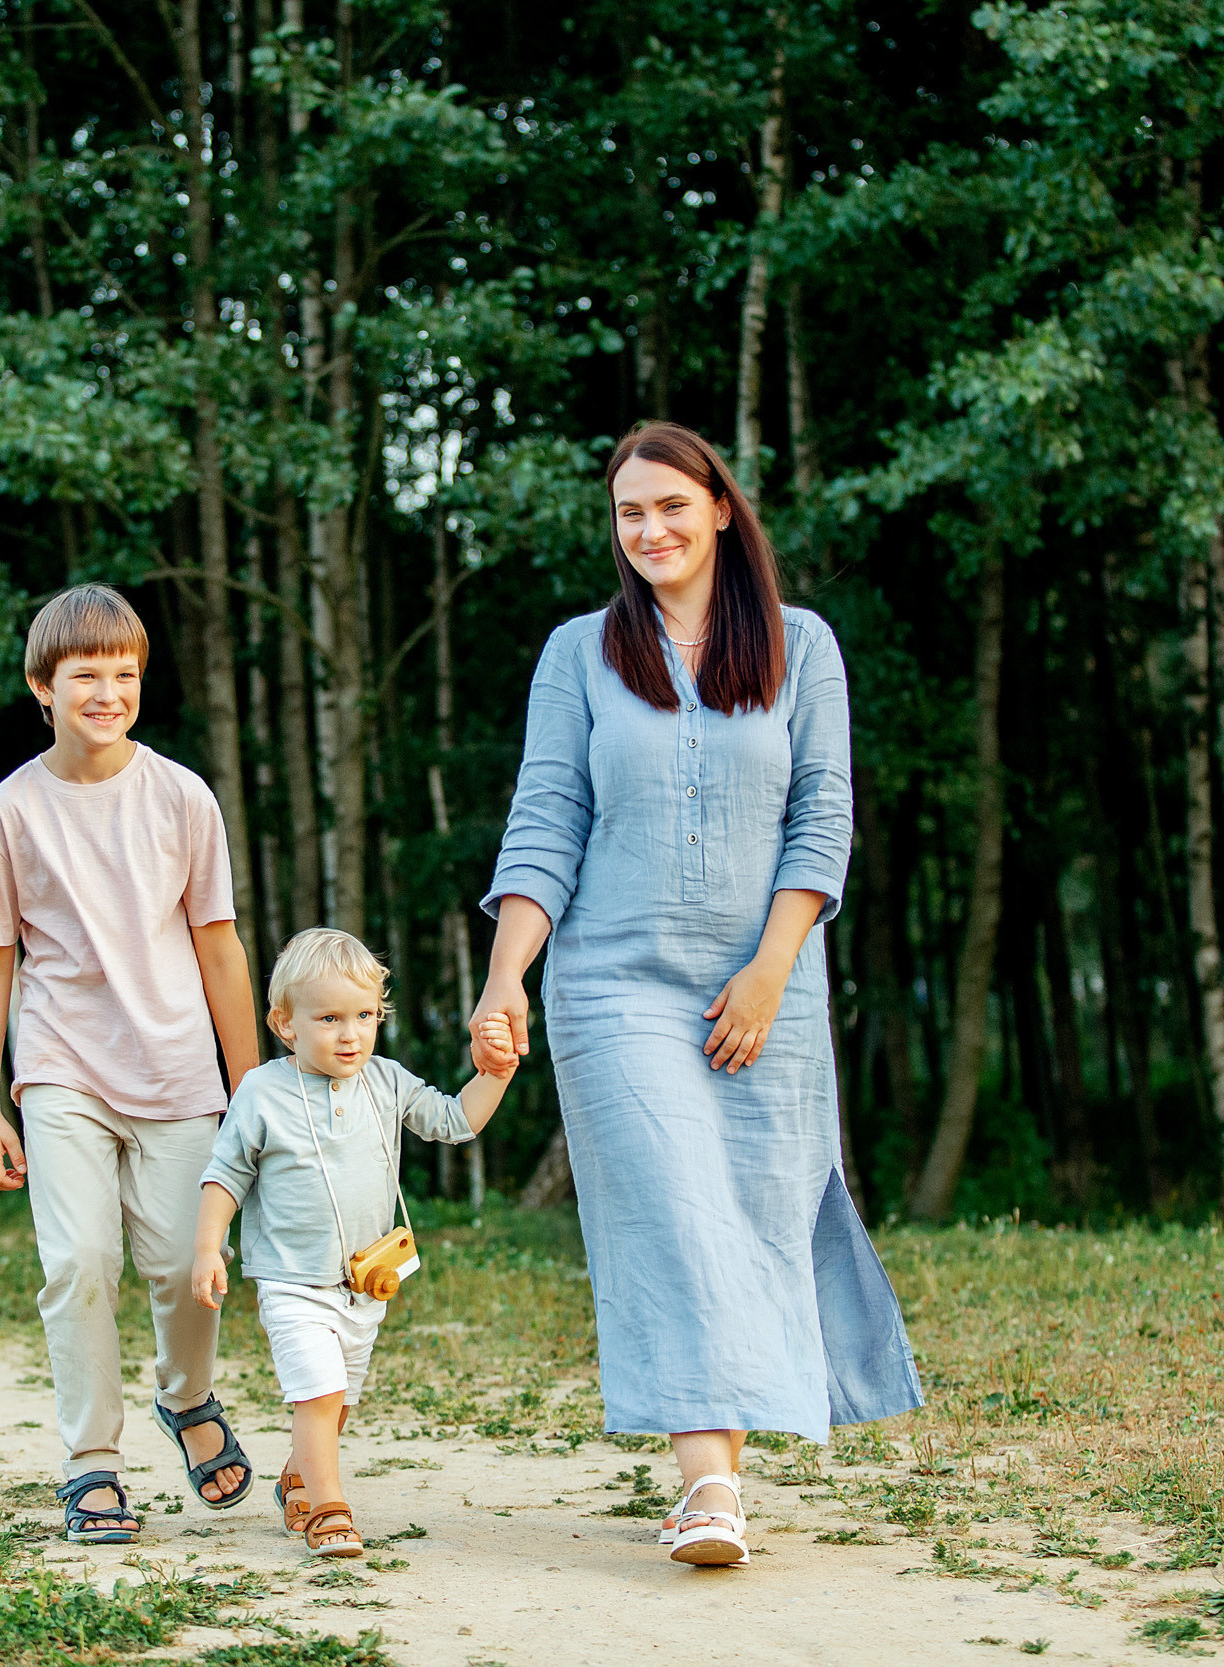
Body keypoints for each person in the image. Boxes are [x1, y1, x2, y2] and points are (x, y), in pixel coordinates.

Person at [471, 420, 923, 1568]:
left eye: (670, 505)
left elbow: (822, 814)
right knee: (666, 1213)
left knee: (752, 1211)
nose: (650, 529)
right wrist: (504, 975)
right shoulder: (578, 652)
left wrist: (771, 969)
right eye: (629, 513)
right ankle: (709, 1482)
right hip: (609, 980)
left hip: (764, 983)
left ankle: (736, 1452)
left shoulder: (800, 644)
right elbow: (547, 821)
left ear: (720, 508)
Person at [0, 583, 263, 1546]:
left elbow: (219, 945)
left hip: (178, 1064)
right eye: (84, 675)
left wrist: (255, 1085)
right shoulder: (8, 814)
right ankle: (92, 1460)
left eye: (124, 674)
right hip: (59, 1065)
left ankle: (189, 1395)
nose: (107, 692)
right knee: (80, 1259)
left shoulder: (182, 797)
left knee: (187, 1264)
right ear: (40, 687)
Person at [191, 928, 515, 1558]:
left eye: (364, 1016)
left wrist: (494, 1074)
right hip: (291, 1282)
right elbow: (224, 1175)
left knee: (338, 1404)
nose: (351, 1034)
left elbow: (456, 1121)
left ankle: (298, 1476)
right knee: (318, 1392)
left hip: (364, 1285)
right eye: (330, 1018)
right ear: (285, 1023)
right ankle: (330, 1511)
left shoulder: (385, 1081)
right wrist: (210, 1247)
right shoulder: (262, 1091)